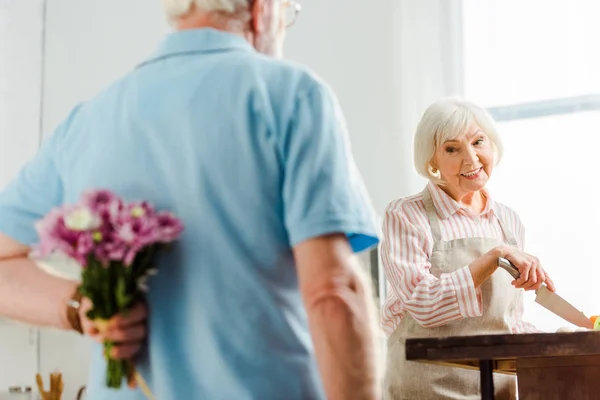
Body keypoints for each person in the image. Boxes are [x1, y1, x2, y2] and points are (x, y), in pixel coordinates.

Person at [0, 1, 382, 399]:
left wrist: (80, 305)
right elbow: (333, 294)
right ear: (262, 10)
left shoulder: (88, 121)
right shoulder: (290, 95)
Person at [381, 97, 556, 400]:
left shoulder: (507, 221)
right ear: (431, 160)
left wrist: (559, 342)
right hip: (426, 389)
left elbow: (507, 323)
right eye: (452, 149)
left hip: (496, 389)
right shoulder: (405, 216)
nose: (472, 159)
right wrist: (493, 257)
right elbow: (424, 304)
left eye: (478, 142)